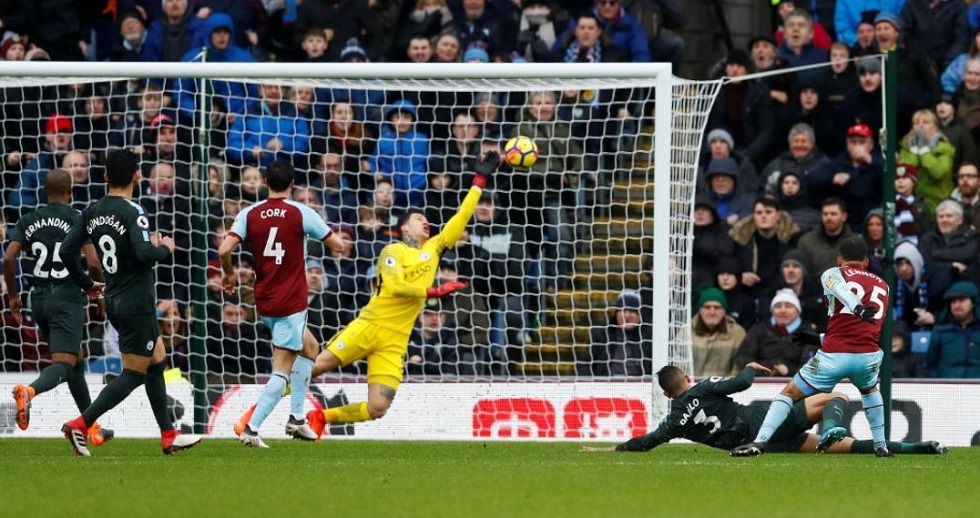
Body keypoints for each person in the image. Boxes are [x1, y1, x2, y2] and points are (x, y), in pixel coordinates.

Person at [291, 151, 500, 439]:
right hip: (370, 325)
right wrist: (433, 290)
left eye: (427, 219)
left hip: (396, 339)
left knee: (378, 407)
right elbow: (394, 287)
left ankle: (320, 417)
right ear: (404, 227)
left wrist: (479, 180)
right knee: (317, 367)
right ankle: (255, 413)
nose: (425, 222)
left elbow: (462, 216)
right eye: (418, 218)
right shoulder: (392, 251)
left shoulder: (435, 248)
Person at [59, 149, 203, 457]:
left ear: (105, 176)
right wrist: (165, 247)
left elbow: (67, 251)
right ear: (137, 176)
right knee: (134, 374)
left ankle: (168, 435)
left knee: (157, 363)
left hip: (114, 299)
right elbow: (143, 254)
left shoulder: (93, 210)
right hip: (136, 301)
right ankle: (80, 424)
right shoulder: (132, 210)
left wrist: (86, 285)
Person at [218, 159, 347, 448]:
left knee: (311, 348)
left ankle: (297, 418)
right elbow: (338, 245)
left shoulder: (249, 213)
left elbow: (224, 248)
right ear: (292, 184)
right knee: (283, 366)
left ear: (265, 182)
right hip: (291, 301)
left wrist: (228, 273)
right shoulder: (301, 212)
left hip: (264, 299)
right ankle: (251, 428)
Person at [732, 236, 894, 457]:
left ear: (839, 259)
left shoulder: (833, 273)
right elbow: (856, 330)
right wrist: (817, 338)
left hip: (833, 356)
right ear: (865, 261)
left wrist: (855, 306)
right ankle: (881, 446)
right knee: (870, 391)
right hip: (866, 356)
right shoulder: (883, 285)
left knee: (788, 394)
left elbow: (842, 291)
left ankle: (759, 442)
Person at [583, 363, 947, 456]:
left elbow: (648, 442)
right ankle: (834, 426)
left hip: (754, 444)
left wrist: (611, 448)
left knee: (842, 450)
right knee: (837, 397)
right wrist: (749, 368)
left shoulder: (674, 419)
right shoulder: (704, 387)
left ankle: (921, 447)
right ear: (688, 377)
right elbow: (739, 384)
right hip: (762, 422)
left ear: (666, 394)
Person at [3, 170, 112, 446]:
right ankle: (29, 391)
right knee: (64, 364)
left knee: (76, 360)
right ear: (70, 191)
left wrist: (13, 296)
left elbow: (8, 257)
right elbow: (94, 262)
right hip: (67, 299)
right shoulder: (77, 218)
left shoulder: (29, 219)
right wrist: (95, 292)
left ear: (45, 191)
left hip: (38, 300)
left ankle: (91, 425)